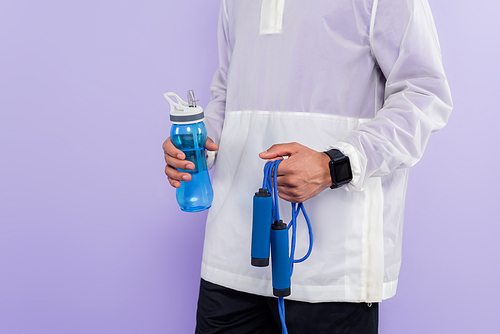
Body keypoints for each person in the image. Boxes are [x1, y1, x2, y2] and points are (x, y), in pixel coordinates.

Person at [163, 0, 452, 332]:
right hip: (231, 254)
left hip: (335, 264)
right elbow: (228, 92)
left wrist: (335, 165)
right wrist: (203, 143)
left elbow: (424, 95)